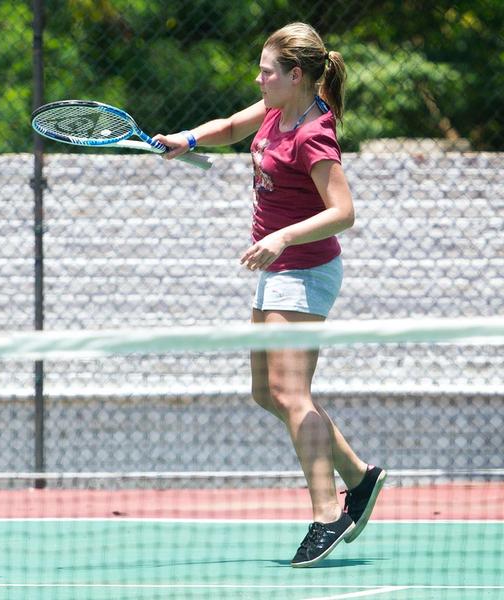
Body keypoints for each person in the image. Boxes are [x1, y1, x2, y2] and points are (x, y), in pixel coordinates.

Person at [154, 22, 386, 568]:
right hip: (276, 267)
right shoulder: (279, 111)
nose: (259, 79)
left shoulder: (313, 134)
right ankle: (360, 476)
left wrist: (280, 236)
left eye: (267, 71)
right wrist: (185, 140)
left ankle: (329, 514)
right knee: (265, 391)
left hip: (303, 269)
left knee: (291, 392)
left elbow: (343, 212)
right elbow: (234, 126)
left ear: (296, 75)